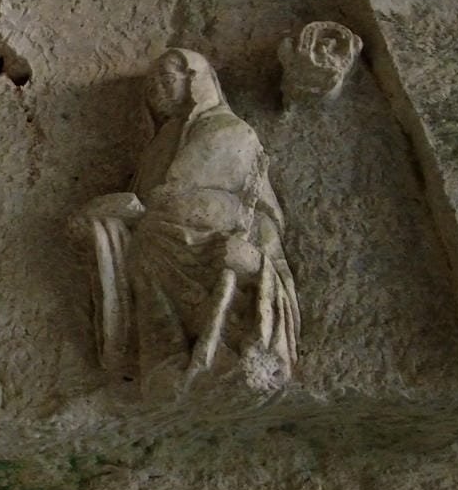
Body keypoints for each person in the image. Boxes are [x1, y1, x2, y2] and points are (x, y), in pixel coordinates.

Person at [74, 49, 298, 401]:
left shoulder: (230, 130)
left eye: (167, 78)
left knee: (156, 243)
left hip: (219, 250)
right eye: (152, 85)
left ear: (196, 79)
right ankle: (167, 361)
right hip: (157, 247)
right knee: (140, 246)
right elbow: (151, 202)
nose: (157, 89)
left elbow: (252, 216)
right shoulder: (160, 145)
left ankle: (231, 356)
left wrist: (255, 262)